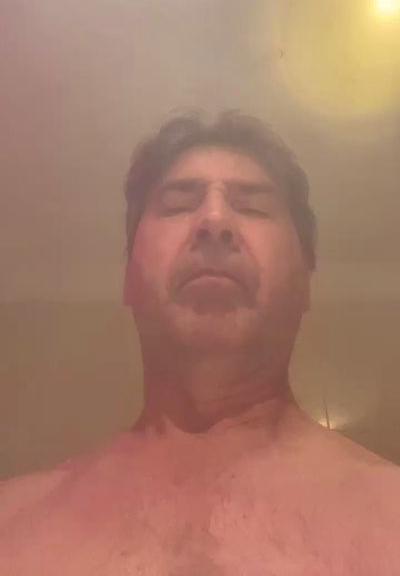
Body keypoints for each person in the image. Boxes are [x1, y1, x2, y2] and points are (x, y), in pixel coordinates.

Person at [1, 109, 399, 575]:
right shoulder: (12, 524)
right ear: (128, 276)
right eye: (176, 205)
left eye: (253, 207)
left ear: (305, 281)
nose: (214, 219)